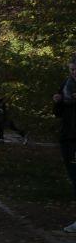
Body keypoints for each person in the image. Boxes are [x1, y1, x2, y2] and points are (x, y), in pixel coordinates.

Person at [52, 59, 76, 233]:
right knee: (74, 177)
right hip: (68, 137)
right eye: (72, 69)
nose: (74, 72)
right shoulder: (67, 85)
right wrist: (57, 100)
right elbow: (57, 113)